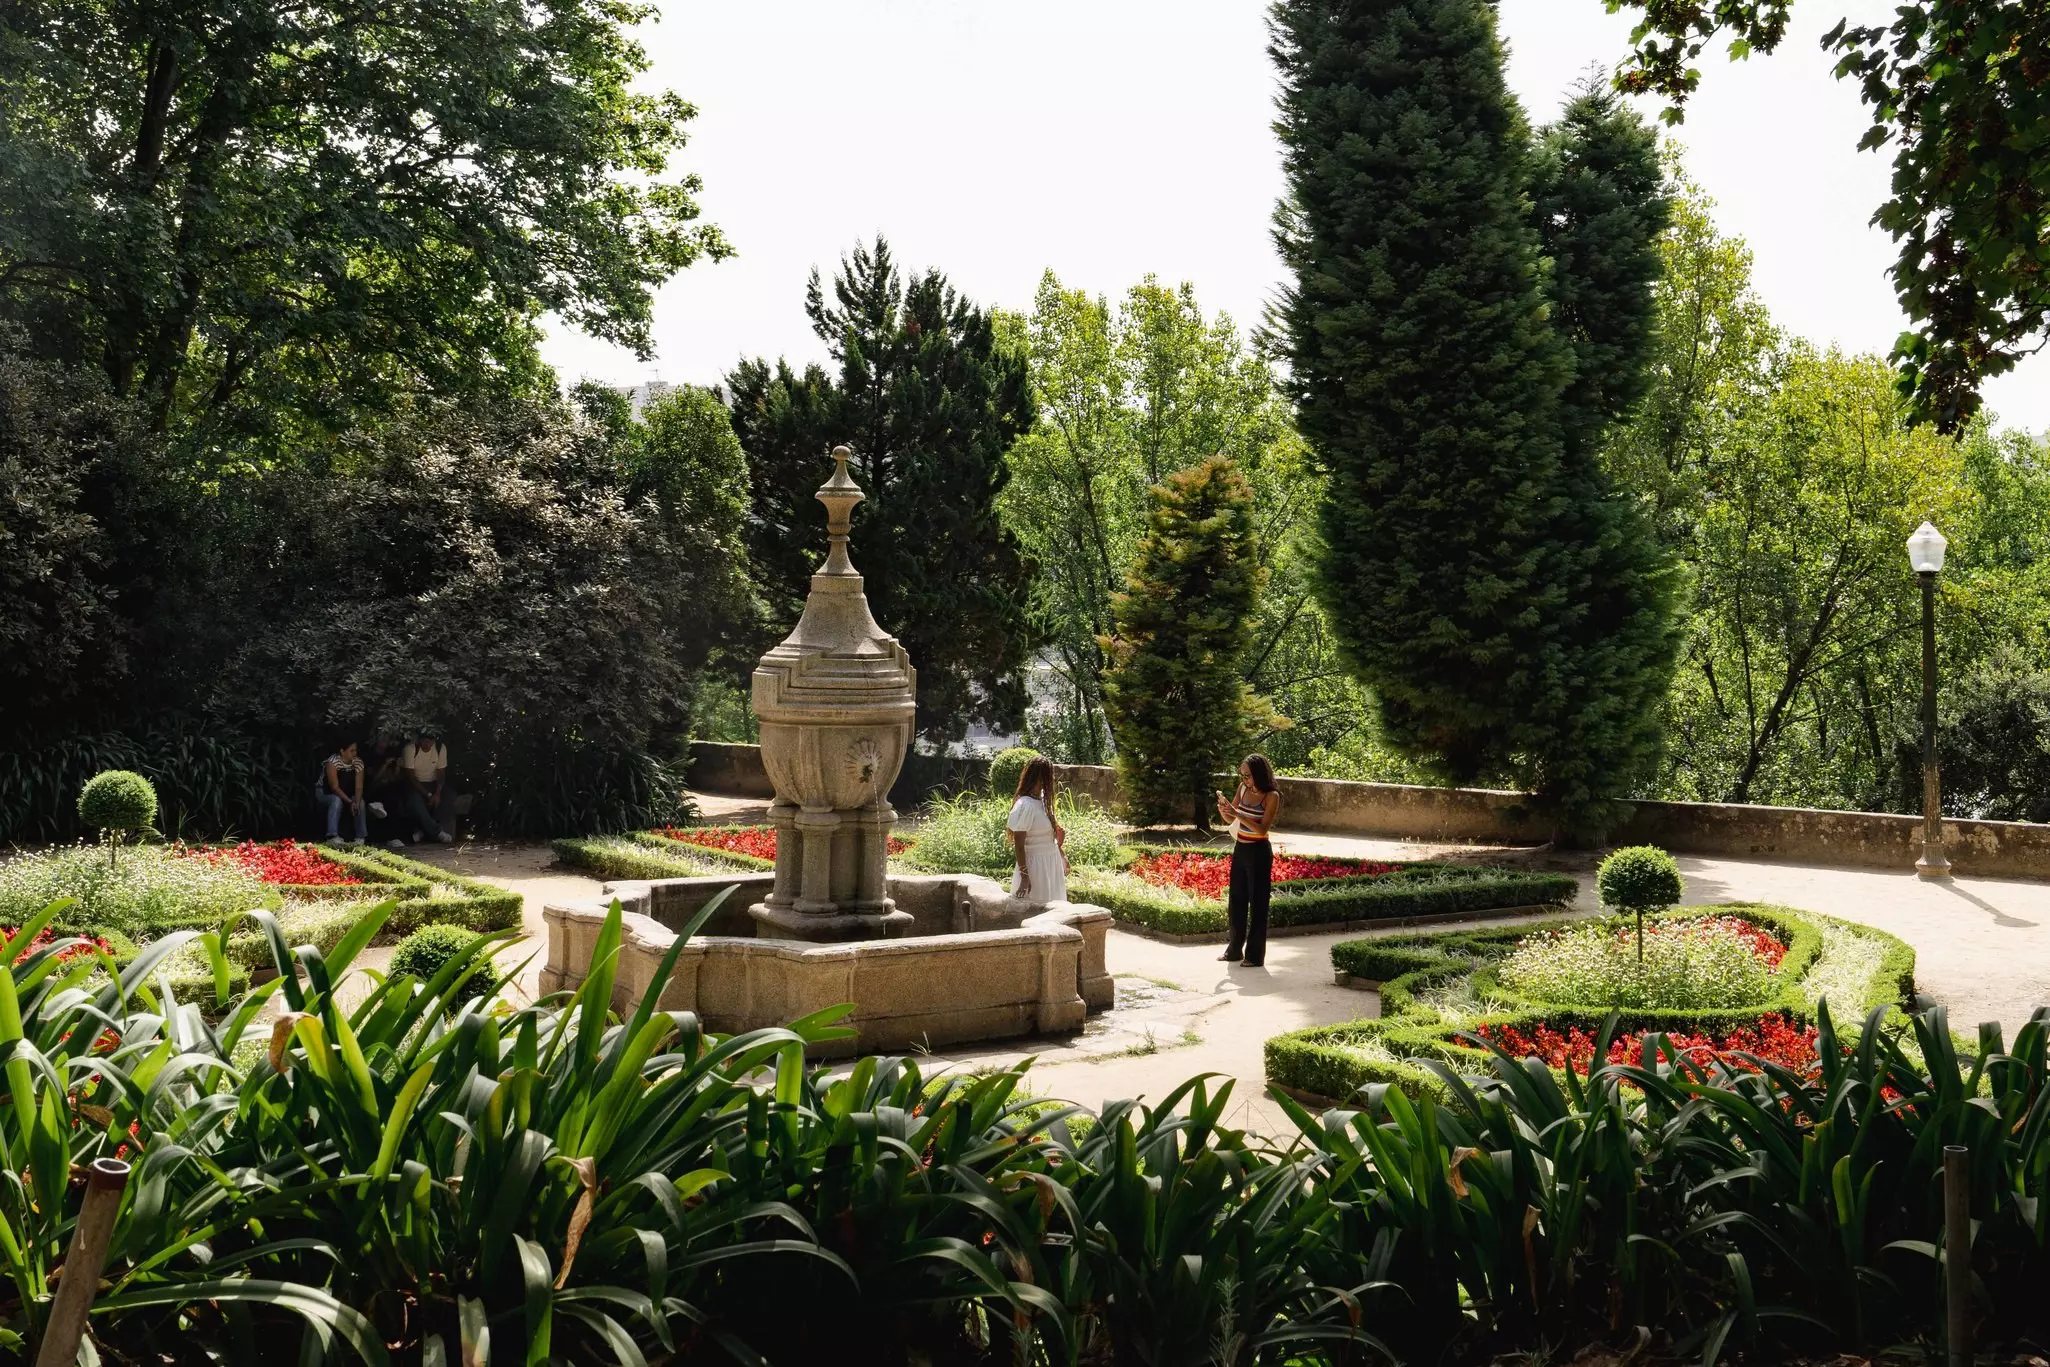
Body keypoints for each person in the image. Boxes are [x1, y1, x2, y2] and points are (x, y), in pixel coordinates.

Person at [1216, 753, 1280, 968]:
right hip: (1241, 848)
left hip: (1259, 851)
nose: (1244, 780)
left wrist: (1238, 814)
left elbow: (1262, 829)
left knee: (1259, 903)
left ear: (1259, 774)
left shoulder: (1271, 796)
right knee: (1237, 900)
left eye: (1247, 776)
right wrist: (1225, 811)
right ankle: (1234, 950)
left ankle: (1254, 955)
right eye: (1242, 776)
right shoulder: (1242, 790)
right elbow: (1231, 818)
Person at [1006, 756, 1069, 904]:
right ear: (1040, 777)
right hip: (1036, 867)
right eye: (1048, 775)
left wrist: (1062, 855)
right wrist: (1025, 877)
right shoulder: (1025, 805)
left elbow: (1050, 837)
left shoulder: (1043, 801)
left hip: (1050, 863)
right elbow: (1019, 845)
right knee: (1036, 912)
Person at [402, 728, 453, 843]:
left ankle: (424, 831)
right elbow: (412, 777)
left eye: (430, 741)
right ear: (419, 740)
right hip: (417, 784)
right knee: (415, 801)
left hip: (433, 783)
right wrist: (429, 795)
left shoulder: (440, 748)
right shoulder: (410, 749)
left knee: (449, 796)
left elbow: (441, 772)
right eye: (425, 741)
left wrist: (437, 793)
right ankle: (436, 832)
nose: (427, 744)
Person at [316, 740, 368, 846]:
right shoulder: (333, 762)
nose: (355, 753)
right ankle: (332, 836)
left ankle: (360, 836)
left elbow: (359, 786)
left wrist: (356, 802)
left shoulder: (358, 762)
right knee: (336, 801)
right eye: (351, 751)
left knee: (360, 802)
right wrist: (350, 802)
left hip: (347, 791)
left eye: (355, 750)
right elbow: (334, 787)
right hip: (325, 792)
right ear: (342, 751)